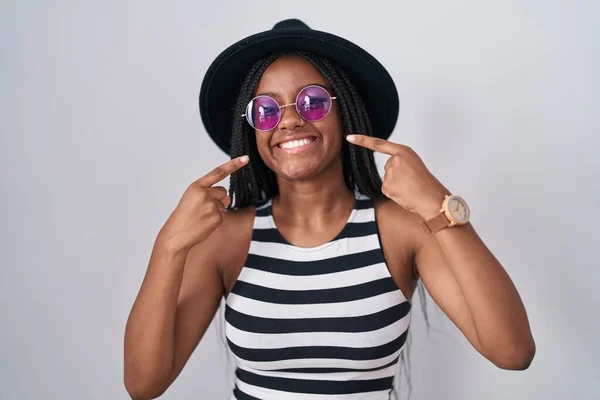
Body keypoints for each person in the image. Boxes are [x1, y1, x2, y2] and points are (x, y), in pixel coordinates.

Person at [124, 19, 535, 400]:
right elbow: (144, 384)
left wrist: (438, 204)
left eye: (312, 102)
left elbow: (512, 352)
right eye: (265, 110)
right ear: (252, 130)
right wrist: (169, 248)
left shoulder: (403, 229)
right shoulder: (225, 238)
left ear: (345, 112)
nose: (287, 122)